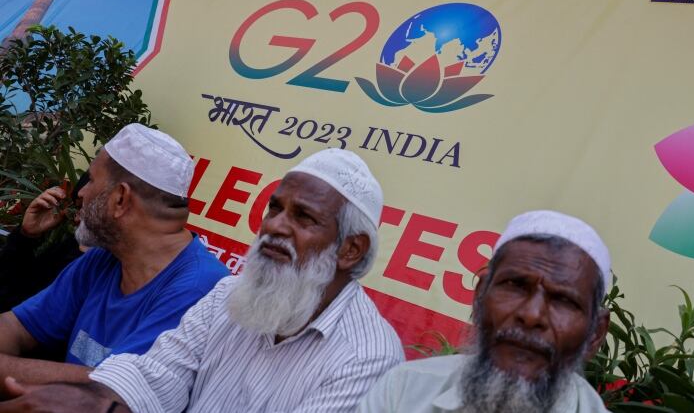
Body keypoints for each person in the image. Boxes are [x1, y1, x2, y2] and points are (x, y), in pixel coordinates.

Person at [0, 148, 404, 412]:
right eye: (274, 208)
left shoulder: (368, 358)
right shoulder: (228, 296)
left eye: (304, 218)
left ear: (350, 250)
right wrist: (89, 403)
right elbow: (152, 380)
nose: (275, 226)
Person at [0, 123, 229, 391]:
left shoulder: (200, 290)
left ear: (120, 198)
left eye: (92, 180)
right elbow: (16, 327)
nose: (81, 193)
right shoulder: (101, 260)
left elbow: (115, 391)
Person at [359, 210, 613, 413]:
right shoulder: (403, 391)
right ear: (480, 297)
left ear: (595, 334)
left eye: (563, 300)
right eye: (515, 285)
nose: (532, 315)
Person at [0, 173, 89, 314]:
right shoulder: (71, 247)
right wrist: (26, 235)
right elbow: (12, 291)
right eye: (77, 208)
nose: (76, 218)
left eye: (84, 207)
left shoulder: (112, 274)